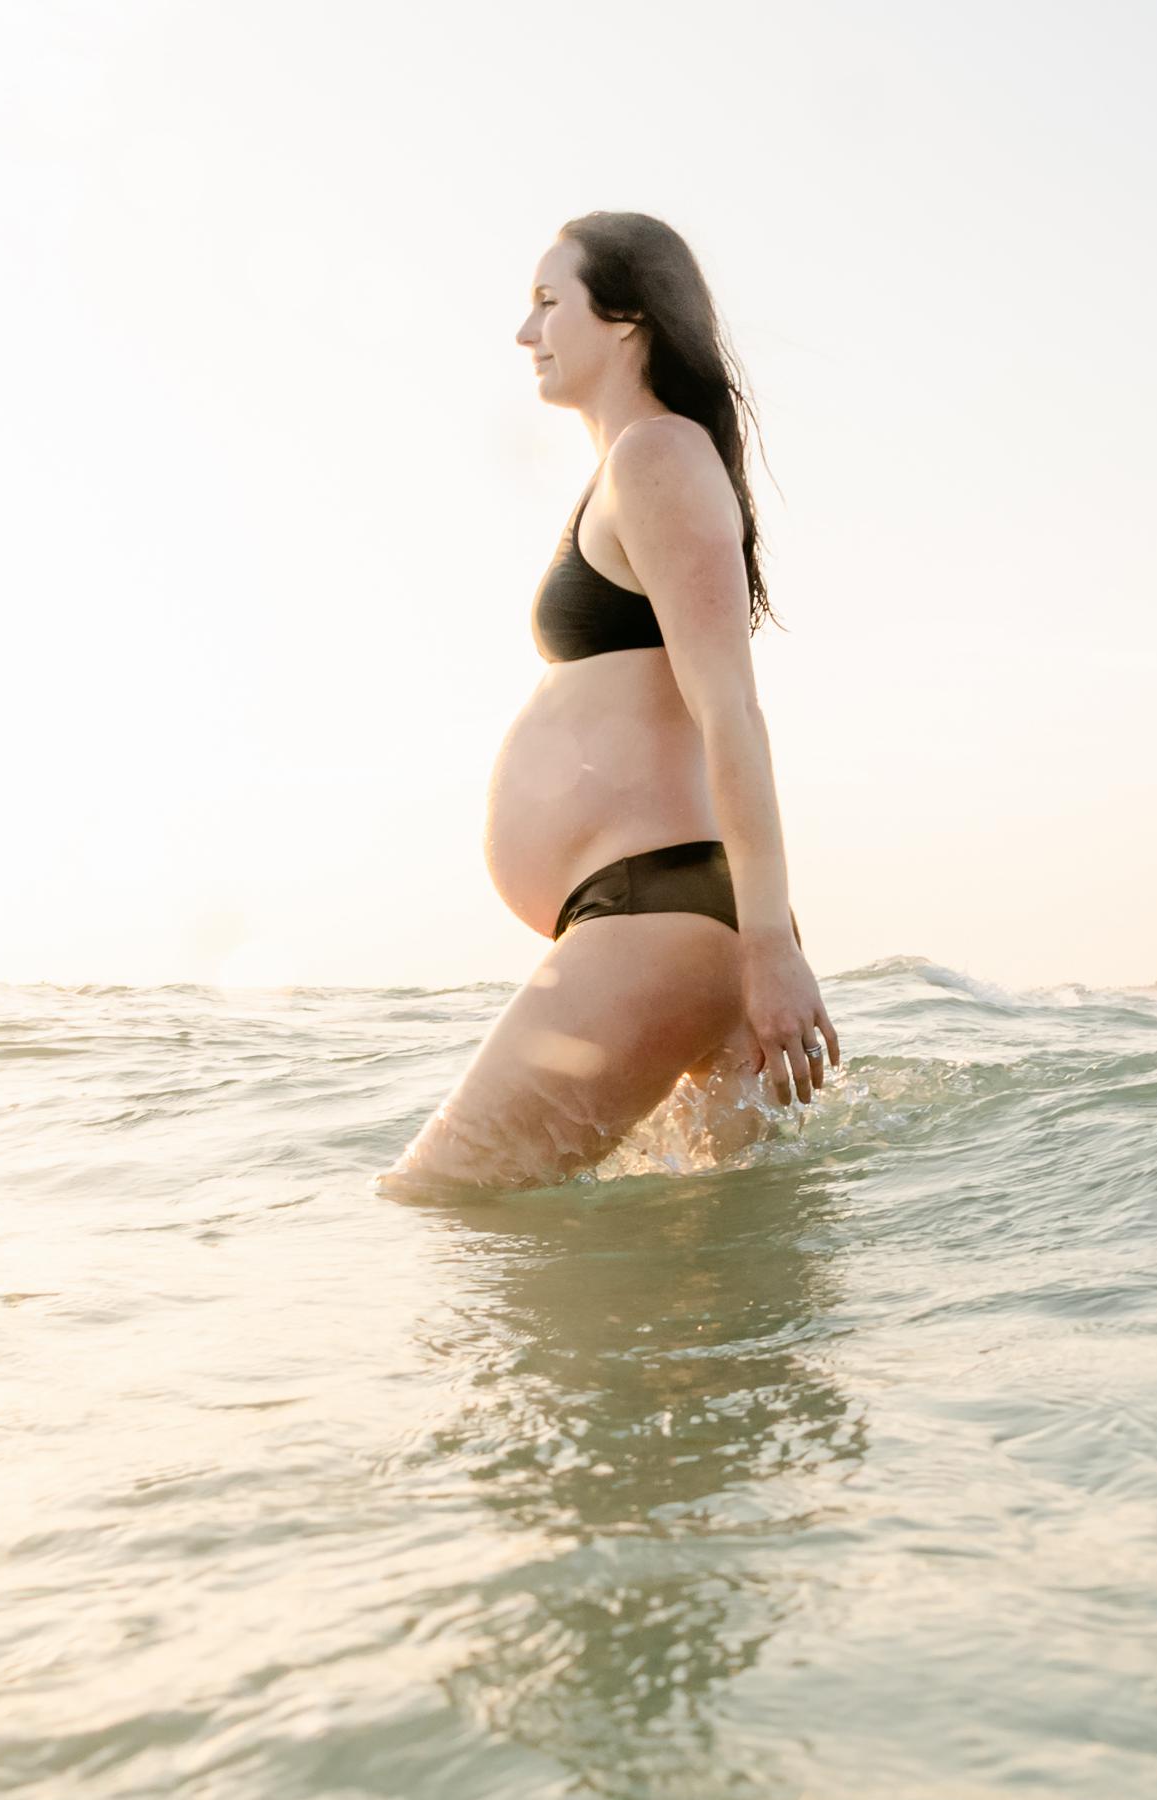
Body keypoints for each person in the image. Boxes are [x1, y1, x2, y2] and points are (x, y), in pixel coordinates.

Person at [385, 211, 836, 1193]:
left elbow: (730, 711)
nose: (524, 331)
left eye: (549, 302)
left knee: (437, 1198)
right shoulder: (639, 464)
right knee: (715, 1298)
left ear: (627, 316)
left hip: (664, 907)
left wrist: (763, 945)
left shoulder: (656, 458)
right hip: (663, 909)